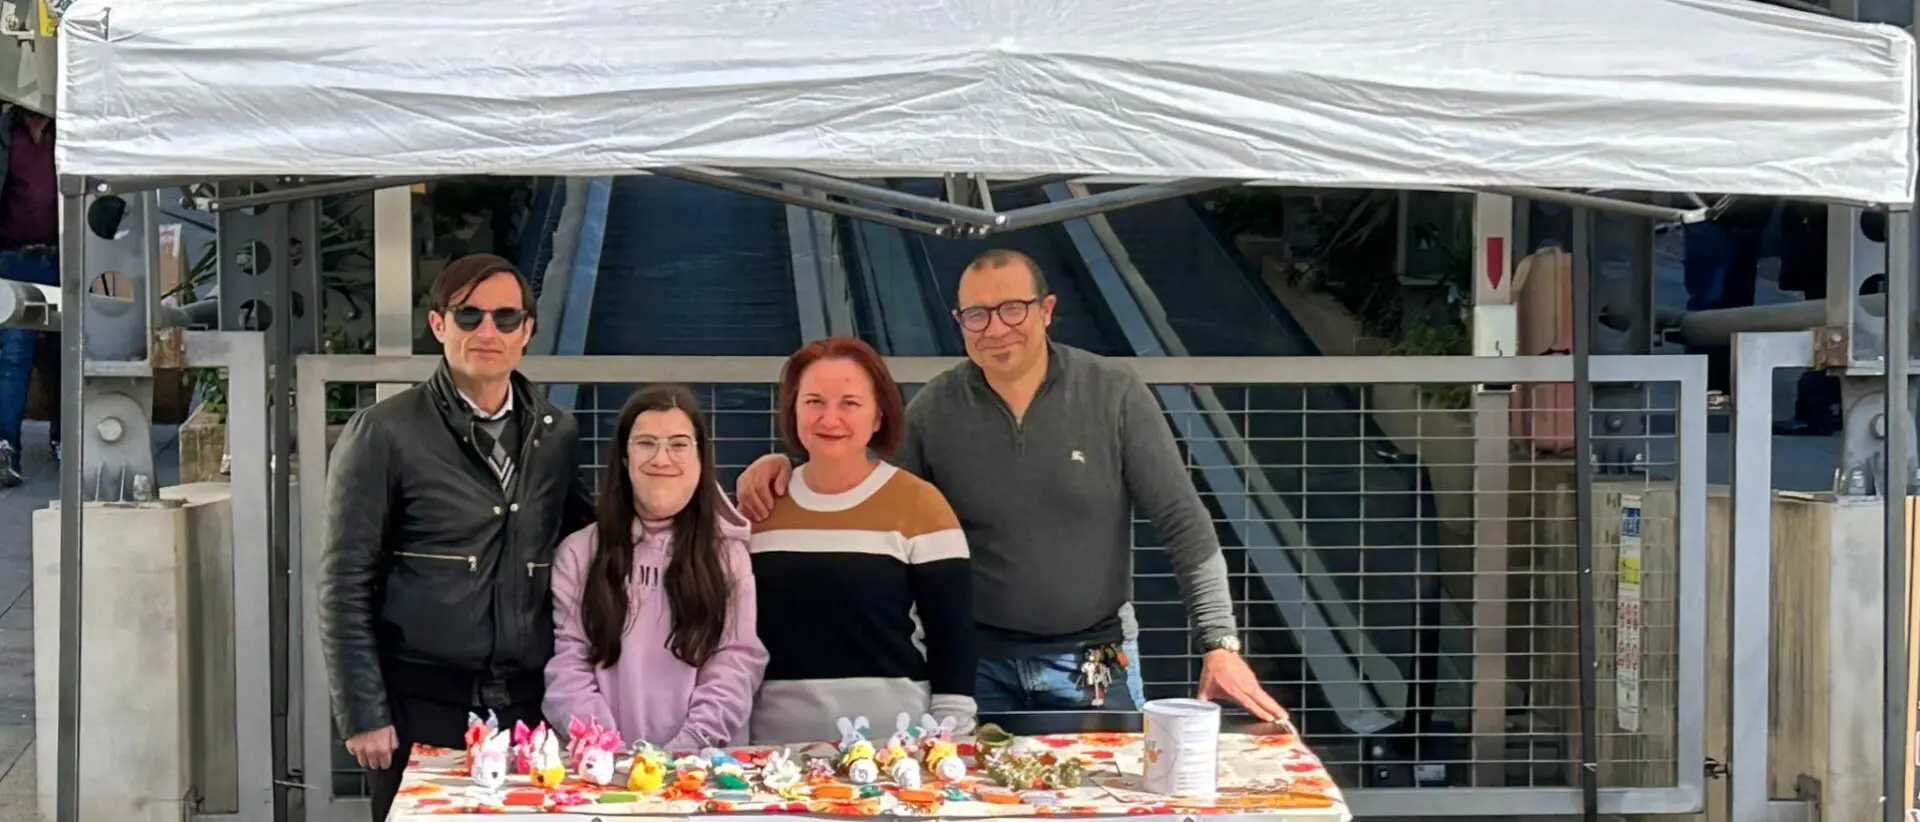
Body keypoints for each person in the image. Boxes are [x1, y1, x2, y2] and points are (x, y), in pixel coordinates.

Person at [738, 251, 1285, 721]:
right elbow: (866, 480)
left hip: (1093, 665)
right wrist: (786, 464)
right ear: (959, 323)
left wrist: (1220, 644)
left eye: (1012, 309)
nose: (996, 328)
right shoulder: (936, 408)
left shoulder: (1113, 394)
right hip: (975, 669)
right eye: (977, 315)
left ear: (1046, 310)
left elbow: (1183, 521)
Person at [319, 254, 595, 822]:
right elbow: (344, 582)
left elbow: (596, 538)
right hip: (420, 704)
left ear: (528, 330)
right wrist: (363, 711)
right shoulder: (383, 432)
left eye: (504, 317)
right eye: (468, 316)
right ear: (438, 325)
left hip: (527, 708)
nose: (486, 332)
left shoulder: (556, 433)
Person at [747, 337, 975, 744]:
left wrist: (950, 737)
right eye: (814, 401)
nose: (830, 418)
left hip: (895, 749)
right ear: (793, 411)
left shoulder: (921, 505)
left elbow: (951, 636)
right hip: (774, 749)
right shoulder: (760, 506)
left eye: (849, 403)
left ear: (878, 416)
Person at [543, 384, 768, 748]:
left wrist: (687, 747)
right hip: (603, 774)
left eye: (678, 444)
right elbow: (569, 665)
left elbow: (736, 661)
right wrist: (607, 751)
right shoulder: (580, 552)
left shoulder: (727, 555)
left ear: (700, 459)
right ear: (624, 458)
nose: (662, 459)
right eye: (646, 443)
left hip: (700, 772)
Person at [0, 105, 59, 488]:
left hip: (60, 260)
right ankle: (6, 449)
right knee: (15, 352)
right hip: (14, 259)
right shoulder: (7, 132)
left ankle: (64, 437)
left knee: (63, 350)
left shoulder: (69, 128)